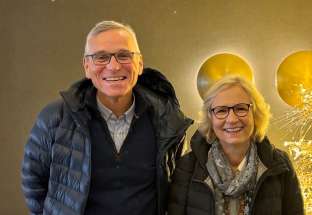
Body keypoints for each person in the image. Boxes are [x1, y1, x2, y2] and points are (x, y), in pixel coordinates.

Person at [21, 20, 193, 215]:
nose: (113, 66)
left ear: (140, 63)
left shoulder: (167, 120)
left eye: (123, 55)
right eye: (101, 57)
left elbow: (179, 189)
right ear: (86, 66)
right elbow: (33, 184)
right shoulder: (55, 118)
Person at [168, 76, 304, 215]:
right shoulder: (187, 166)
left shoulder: (279, 164)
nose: (232, 119)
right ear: (210, 118)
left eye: (240, 108)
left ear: (255, 114)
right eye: (221, 110)